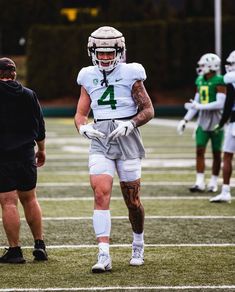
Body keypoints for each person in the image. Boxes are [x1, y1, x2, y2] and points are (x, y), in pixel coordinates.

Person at [74, 26, 154, 273]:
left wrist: (131, 124)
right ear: (92, 51)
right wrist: (83, 128)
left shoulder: (132, 72)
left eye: (110, 53)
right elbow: (80, 114)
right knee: (100, 194)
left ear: (120, 52)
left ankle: (138, 243)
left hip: (127, 137)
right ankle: (103, 254)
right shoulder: (87, 75)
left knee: (132, 201)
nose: (105, 58)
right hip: (101, 138)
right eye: (101, 53)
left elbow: (148, 110)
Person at [0, 57, 48, 263]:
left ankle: (15, 250)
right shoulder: (29, 94)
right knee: (30, 199)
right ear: (14, 73)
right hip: (26, 153)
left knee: (8, 202)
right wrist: (41, 150)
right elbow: (40, 125)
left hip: (3, 156)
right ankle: (40, 244)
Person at [177, 53, 226, 193]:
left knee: (217, 153)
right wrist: (185, 119)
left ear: (212, 66)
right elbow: (196, 103)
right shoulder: (199, 80)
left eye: (203, 65)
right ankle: (199, 182)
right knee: (199, 150)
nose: (200, 67)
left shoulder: (220, 80)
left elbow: (220, 104)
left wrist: (200, 107)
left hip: (217, 121)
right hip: (203, 121)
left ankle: (214, 181)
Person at [210, 50, 235, 203]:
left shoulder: (230, 77)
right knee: (227, 155)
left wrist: (221, 122)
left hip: (233, 122)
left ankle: (226, 191)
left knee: (227, 156)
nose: (229, 66)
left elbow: (228, 103)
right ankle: (225, 191)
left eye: (231, 63)